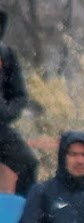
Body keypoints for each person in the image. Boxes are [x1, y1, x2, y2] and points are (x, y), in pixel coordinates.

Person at [0, 10, 37, 196]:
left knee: (28, 163)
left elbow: (20, 96)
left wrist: (6, 112)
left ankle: (25, 215)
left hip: (1, 129)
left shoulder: (6, 55)